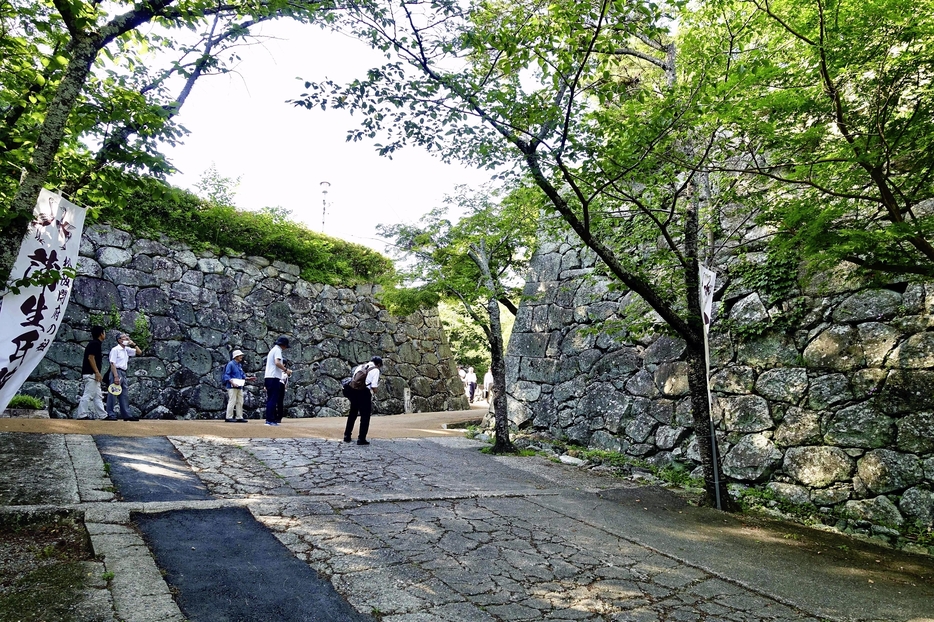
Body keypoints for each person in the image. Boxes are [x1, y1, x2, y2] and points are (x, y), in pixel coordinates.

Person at [343, 356, 383, 445]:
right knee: (365, 416)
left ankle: (347, 435)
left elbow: (354, 379)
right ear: (379, 364)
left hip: (353, 391)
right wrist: (375, 392)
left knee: (352, 414)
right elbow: (374, 386)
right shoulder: (376, 370)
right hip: (364, 392)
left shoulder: (361, 367)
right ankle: (361, 438)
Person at [105, 333, 141, 421]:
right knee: (113, 393)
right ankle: (110, 413)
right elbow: (112, 363)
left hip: (124, 372)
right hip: (116, 371)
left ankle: (126, 414)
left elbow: (139, 352)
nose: (127, 339)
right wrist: (116, 376)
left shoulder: (126, 350)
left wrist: (133, 344)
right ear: (119, 340)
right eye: (125, 337)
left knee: (124, 394)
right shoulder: (115, 349)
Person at [74, 326, 106, 420]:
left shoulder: (95, 343)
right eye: (104, 332)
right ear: (101, 334)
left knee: (97, 396)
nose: (105, 334)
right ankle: (82, 414)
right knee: (88, 394)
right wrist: (97, 372)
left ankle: (103, 415)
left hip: (91, 374)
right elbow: (91, 358)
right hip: (91, 373)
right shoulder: (95, 344)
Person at [264, 336, 292, 426]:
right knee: (273, 399)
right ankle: (270, 420)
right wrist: (285, 370)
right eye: (285, 346)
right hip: (274, 377)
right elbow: (277, 362)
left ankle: (270, 418)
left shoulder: (273, 350)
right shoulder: (277, 350)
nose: (285, 349)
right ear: (283, 345)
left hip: (268, 377)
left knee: (270, 399)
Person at [223, 349, 255, 422]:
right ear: (236, 356)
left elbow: (242, 376)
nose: (241, 357)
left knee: (240, 401)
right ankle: (228, 417)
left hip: (239, 385)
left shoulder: (239, 365)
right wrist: (232, 382)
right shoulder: (230, 364)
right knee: (232, 401)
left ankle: (239, 416)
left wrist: (249, 378)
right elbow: (226, 375)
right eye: (240, 355)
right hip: (231, 386)